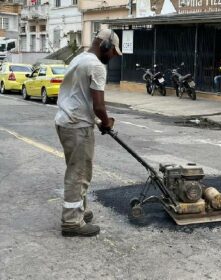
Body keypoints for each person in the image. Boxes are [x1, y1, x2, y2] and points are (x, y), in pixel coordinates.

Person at [55, 29, 121, 237]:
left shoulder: (79, 58)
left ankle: (79, 210)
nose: (112, 57)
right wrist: (107, 122)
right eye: (113, 52)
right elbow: (99, 106)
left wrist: (100, 121)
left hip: (65, 121)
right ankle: (72, 221)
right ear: (106, 46)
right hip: (78, 125)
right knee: (79, 173)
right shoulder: (96, 66)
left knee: (76, 168)